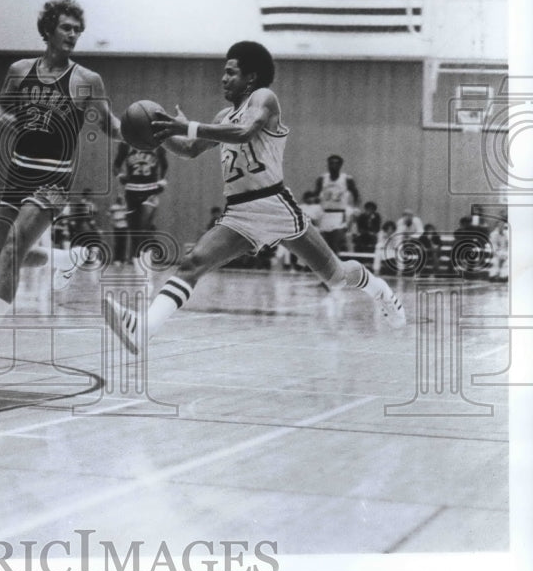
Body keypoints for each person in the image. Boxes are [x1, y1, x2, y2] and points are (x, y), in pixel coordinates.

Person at [103, 41, 405, 354]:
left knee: (336, 277)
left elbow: (246, 132)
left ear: (250, 77)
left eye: (230, 73)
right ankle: (144, 330)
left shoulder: (264, 98)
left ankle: (380, 290)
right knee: (193, 263)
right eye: (224, 72)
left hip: (274, 204)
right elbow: (190, 150)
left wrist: (188, 126)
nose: (223, 78)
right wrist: (161, 134)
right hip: (240, 213)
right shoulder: (223, 115)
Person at [0, 0, 122, 372]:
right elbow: (1, 108)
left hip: (54, 180)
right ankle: (65, 258)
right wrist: (6, 121)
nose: (73, 35)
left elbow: (110, 125)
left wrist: (144, 131)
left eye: (78, 29)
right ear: (48, 31)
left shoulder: (87, 80)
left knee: (12, 250)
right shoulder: (19, 70)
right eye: (66, 27)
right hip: (17, 174)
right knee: (2, 256)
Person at [112, 140, 169, 260]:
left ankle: (147, 262)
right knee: (134, 233)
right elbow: (116, 165)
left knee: (144, 228)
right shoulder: (126, 144)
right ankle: (139, 266)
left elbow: (165, 165)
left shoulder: (157, 144)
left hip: (150, 191)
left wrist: (163, 180)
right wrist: (120, 175)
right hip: (131, 191)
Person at [313, 155, 359, 255]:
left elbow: (356, 194)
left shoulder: (347, 179)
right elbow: (316, 195)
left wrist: (355, 209)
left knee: (335, 243)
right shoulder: (322, 179)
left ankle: (337, 268)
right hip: (325, 214)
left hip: (339, 214)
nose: (333, 165)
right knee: (324, 245)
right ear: (328, 165)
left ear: (340, 165)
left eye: (336, 163)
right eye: (331, 163)